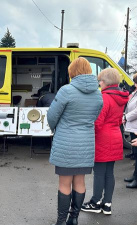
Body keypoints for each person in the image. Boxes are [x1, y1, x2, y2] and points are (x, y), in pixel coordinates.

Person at [47, 57, 103, 225]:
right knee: (80, 181)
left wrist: (56, 128)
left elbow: (52, 116)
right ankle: (74, 219)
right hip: (86, 143)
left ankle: (61, 221)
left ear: (72, 72)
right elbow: (95, 117)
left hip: (66, 142)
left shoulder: (66, 90)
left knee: (64, 183)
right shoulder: (98, 94)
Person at [81, 68, 129, 215]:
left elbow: (98, 122)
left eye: (100, 80)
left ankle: (95, 202)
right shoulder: (120, 97)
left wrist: (88, 135)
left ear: (106, 82)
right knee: (110, 173)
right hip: (115, 135)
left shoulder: (104, 97)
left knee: (99, 173)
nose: (99, 83)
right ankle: (107, 204)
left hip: (103, 137)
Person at [122, 72, 137, 188]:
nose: (133, 83)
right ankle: (136, 175)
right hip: (134, 126)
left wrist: (126, 117)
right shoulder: (136, 93)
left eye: (135, 81)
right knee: (136, 153)